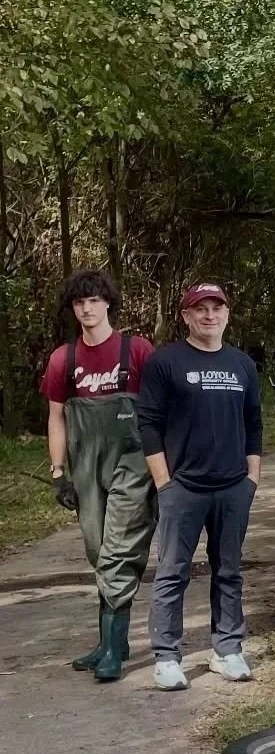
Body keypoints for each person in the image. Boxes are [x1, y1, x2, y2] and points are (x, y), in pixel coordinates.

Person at [137, 283, 262, 691]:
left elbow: (254, 425)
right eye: (201, 309)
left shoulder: (242, 364)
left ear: (227, 314)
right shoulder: (165, 362)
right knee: (173, 572)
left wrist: (251, 479)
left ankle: (227, 651)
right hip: (183, 488)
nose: (210, 315)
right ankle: (167, 657)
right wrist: (164, 484)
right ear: (186, 315)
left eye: (217, 308)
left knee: (229, 571)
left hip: (232, 488)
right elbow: (149, 425)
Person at [41, 270, 157, 682]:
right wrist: (58, 473)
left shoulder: (137, 351)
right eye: (79, 303)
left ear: (108, 302)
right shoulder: (63, 360)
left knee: (117, 551)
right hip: (85, 465)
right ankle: (112, 642)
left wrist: (163, 466)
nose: (86, 309)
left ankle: (111, 650)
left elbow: (162, 410)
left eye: (93, 300)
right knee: (97, 549)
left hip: (133, 462)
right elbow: (56, 419)